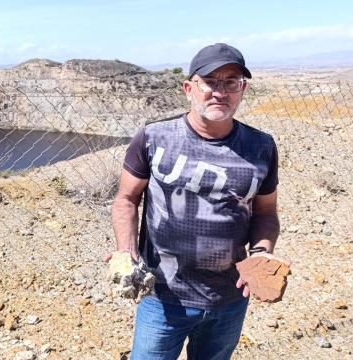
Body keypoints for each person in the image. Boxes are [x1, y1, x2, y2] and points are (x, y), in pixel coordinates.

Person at [108, 43, 285, 360]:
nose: (220, 91)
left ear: (242, 89)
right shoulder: (153, 138)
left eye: (231, 82)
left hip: (229, 298)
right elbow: (126, 198)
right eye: (210, 81)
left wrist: (261, 254)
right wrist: (127, 250)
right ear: (189, 88)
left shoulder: (261, 146)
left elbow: (266, 213)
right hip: (162, 297)